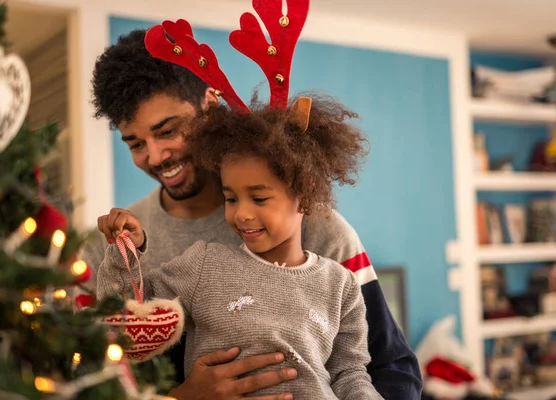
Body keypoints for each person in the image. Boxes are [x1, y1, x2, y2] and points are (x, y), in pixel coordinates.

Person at [86, 27, 422, 400]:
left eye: (169, 130)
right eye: (135, 144)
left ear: (211, 105)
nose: (154, 156)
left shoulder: (323, 232)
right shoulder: (118, 245)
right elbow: (89, 378)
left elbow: (389, 368)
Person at [97, 95, 384, 399]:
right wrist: (125, 250)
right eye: (231, 198)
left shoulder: (342, 285)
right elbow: (124, 313)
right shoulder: (204, 264)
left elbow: (350, 373)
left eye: (259, 198)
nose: (241, 213)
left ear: (305, 193)